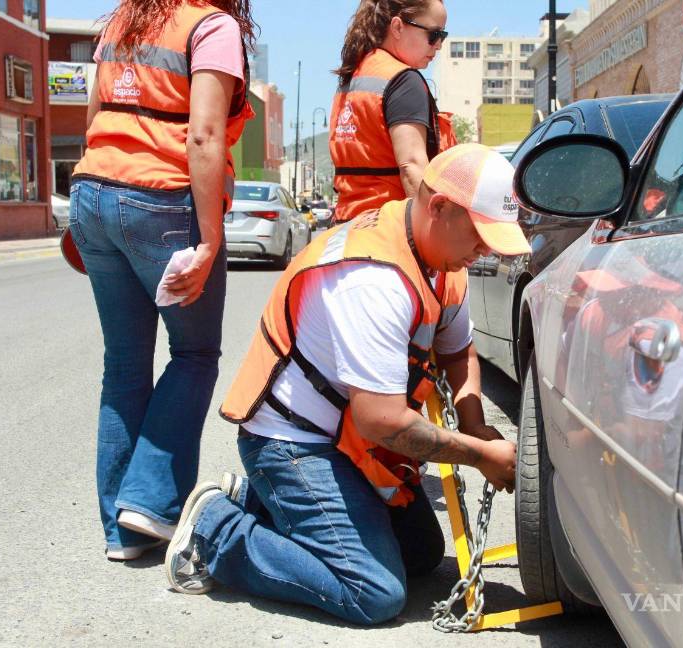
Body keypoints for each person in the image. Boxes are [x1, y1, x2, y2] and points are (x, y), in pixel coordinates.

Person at [163, 144, 530, 625]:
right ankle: (219, 532)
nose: (484, 250)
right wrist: (479, 455)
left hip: (352, 442)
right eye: (480, 235)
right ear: (438, 207)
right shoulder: (373, 279)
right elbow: (380, 420)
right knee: (373, 591)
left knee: (420, 553)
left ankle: (258, 501)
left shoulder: (441, 259)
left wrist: (477, 426)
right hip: (295, 444)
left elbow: (458, 351)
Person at [68, 0, 256, 561]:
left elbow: (93, 119)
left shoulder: (124, 19)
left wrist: (95, 205)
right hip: (162, 199)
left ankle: (120, 532)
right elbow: (203, 135)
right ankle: (149, 503)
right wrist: (210, 238)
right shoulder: (212, 26)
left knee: (124, 363)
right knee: (195, 353)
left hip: (91, 190)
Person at [329, 0, 457, 223]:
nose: (438, 45)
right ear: (397, 27)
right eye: (434, 35)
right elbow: (412, 166)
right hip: (387, 229)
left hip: (346, 225)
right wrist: (437, 227)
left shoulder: (355, 76)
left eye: (442, 36)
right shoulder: (404, 81)